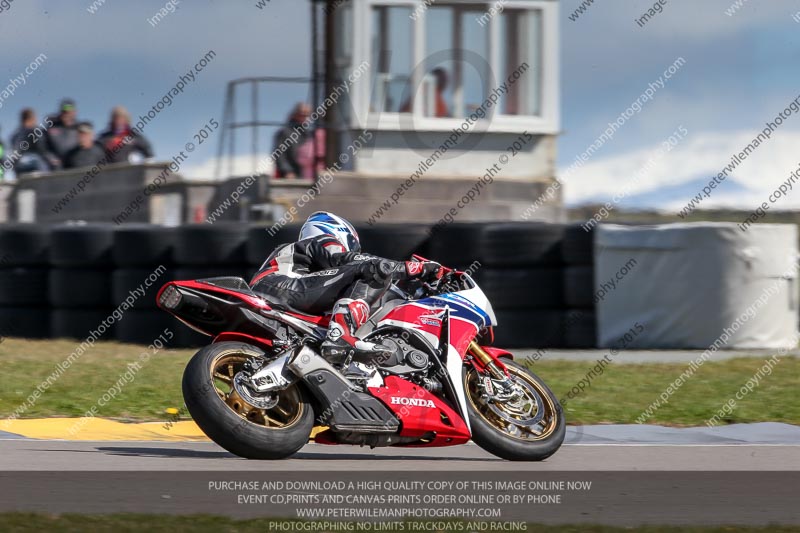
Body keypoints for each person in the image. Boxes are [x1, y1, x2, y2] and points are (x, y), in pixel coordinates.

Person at [249, 211, 442, 360]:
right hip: (281, 287)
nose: (353, 249)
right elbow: (346, 260)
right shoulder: (321, 240)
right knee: (375, 269)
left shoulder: (307, 264)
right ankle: (340, 336)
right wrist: (415, 268)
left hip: (278, 292)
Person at [10, 108, 57, 174]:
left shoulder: (14, 135)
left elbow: (14, 154)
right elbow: (42, 150)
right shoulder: (35, 132)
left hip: (20, 167)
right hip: (36, 166)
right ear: (33, 118)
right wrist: (52, 160)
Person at [273, 102, 312, 178]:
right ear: (295, 114)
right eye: (302, 114)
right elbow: (279, 154)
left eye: (307, 115)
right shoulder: (284, 132)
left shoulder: (309, 135)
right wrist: (287, 171)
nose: (305, 117)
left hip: (307, 175)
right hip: (289, 176)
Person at [45, 98, 81, 164]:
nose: (66, 115)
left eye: (68, 112)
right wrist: (51, 158)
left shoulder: (80, 129)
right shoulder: (51, 127)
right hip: (57, 167)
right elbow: (44, 147)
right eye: (63, 112)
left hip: (75, 164)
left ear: (74, 113)